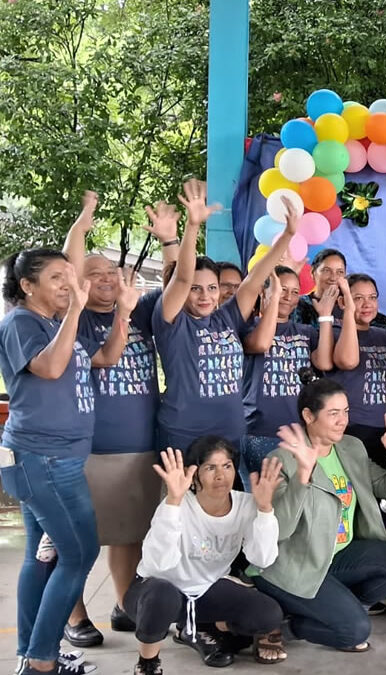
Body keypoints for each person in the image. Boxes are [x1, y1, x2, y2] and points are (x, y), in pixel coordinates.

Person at [0, 245, 133, 675]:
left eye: (69, 276)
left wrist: (124, 313)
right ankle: (41, 661)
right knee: (78, 554)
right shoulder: (21, 322)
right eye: (57, 277)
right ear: (27, 285)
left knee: (43, 557)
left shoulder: (57, 323)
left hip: (57, 460)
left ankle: (34, 652)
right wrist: (77, 308)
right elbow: (51, 368)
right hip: (45, 460)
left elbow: (107, 357)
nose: (68, 285)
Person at [59, 193, 181, 643]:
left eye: (111, 271)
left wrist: (170, 241)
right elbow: (73, 265)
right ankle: (73, 617)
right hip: (89, 450)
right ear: (78, 282)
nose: (107, 279)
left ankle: (125, 602)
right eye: (96, 274)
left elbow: (177, 285)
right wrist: (82, 225)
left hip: (139, 446)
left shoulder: (141, 313)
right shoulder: (71, 321)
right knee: (80, 542)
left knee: (129, 535)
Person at [251, 376, 386, 651]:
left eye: (346, 412)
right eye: (334, 413)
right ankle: (287, 625)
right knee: (355, 631)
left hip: (337, 556)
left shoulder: (351, 447)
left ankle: (335, 604)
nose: (343, 420)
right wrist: (304, 476)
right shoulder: (282, 459)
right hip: (293, 565)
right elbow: (279, 529)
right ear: (308, 415)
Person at [154, 180, 298, 452]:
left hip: (231, 434)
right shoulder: (171, 320)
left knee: (228, 496)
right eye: (196, 289)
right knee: (183, 496)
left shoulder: (227, 318)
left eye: (211, 288)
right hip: (184, 436)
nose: (205, 296)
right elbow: (182, 277)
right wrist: (192, 225)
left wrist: (288, 236)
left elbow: (254, 280)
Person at [125, 440, 285, 674]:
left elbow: (262, 559)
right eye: (210, 468)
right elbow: (158, 564)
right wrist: (172, 503)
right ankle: (148, 663)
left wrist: (265, 510)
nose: (220, 475)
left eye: (227, 466)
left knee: (267, 614)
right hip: (152, 594)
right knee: (164, 593)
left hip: (203, 591)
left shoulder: (245, 504)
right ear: (195, 474)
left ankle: (199, 627)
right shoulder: (177, 505)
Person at [239, 266, 337, 483]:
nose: (289, 298)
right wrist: (271, 300)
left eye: (295, 292)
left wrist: (325, 317)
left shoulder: (305, 332)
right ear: (264, 291)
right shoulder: (247, 328)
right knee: (262, 503)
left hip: (300, 434)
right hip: (259, 432)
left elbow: (323, 362)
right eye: (282, 290)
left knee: (295, 504)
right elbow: (261, 343)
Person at [328, 273, 386, 468]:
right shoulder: (334, 334)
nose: (367, 304)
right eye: (358, 298)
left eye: (372, 297)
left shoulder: (384, 335)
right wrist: (349, 312)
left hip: (385, 430)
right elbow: (348, 361)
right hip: (352, 429)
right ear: (342, 302)